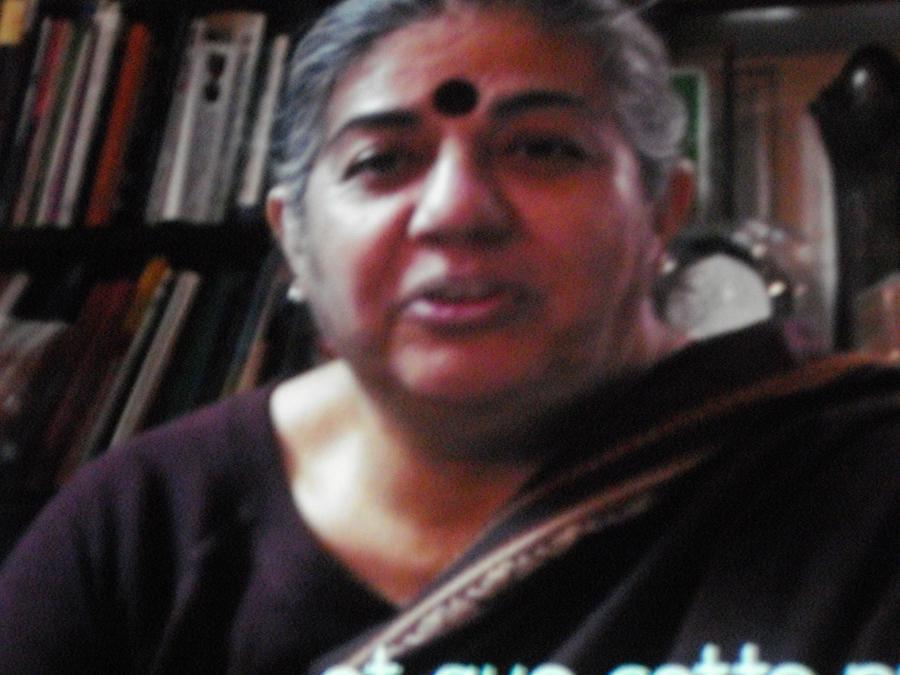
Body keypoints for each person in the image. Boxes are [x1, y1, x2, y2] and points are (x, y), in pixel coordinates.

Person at [1, 0, 897, 672]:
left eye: (542, 148)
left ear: (663, 209)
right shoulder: (141, 534)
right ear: (294, 239)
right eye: (382, 160)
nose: (458, 210)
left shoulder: (857, 487)